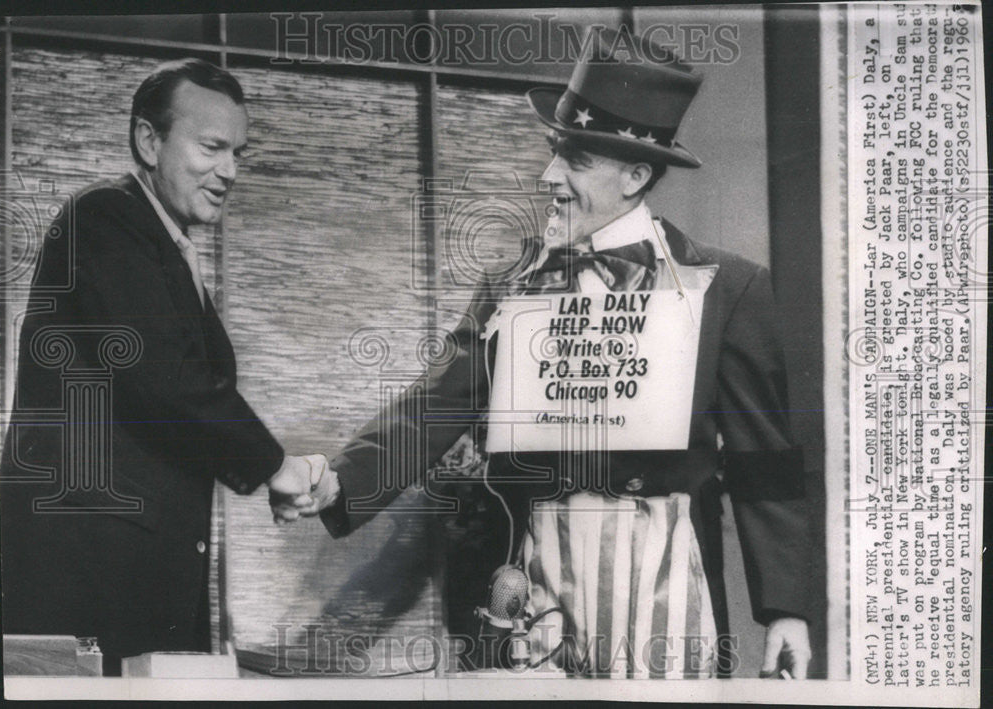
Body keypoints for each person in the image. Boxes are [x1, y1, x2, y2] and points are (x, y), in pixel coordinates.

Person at [309, 28, 813, 679]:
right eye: (554, 152)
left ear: (636, 174)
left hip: (666, 593)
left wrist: (785, 610)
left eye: (574, 160)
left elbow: (763, 461)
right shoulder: (511, 283)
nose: (550, 176)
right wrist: (336, 479)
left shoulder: (726, 287)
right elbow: (435, 405)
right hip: (534, 592)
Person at [0, 58, 336, 676]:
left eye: (239, 152)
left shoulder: (159, 240)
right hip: (85, 581)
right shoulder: (103, 218)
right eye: (211, 147)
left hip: (131, 574)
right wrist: (276, 467)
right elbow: (168, 382)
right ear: (148, 140)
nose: (229, 171)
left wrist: (272, 471)